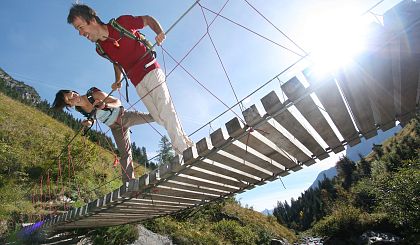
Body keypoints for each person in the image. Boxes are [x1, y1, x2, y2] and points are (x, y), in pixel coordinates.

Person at [67, 4, 193, 155]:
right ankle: (186, 141)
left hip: (150, 68)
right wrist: (117, 79)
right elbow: (116, 62)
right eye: (77, 30)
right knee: (159, 117)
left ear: (92, 20)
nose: (81, 33)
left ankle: (183, 151)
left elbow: (147, 20)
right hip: (137, 82)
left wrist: (159, 32)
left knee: (165, 108)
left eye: (80, 27)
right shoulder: (100, 49)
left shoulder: (121, 23)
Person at [52, 87, 154, 183]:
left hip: (124, 116)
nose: (75, 96)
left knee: (151, 117)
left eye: (73, 93)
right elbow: (93, 119)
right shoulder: (80, 109)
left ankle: (166, 114)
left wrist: (105, 105)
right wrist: (89, 123)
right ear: (69, 105)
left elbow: (117, 102)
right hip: (115, 128)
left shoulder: (93, 95)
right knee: (125, 154)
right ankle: (129, 182)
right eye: (71, 99)